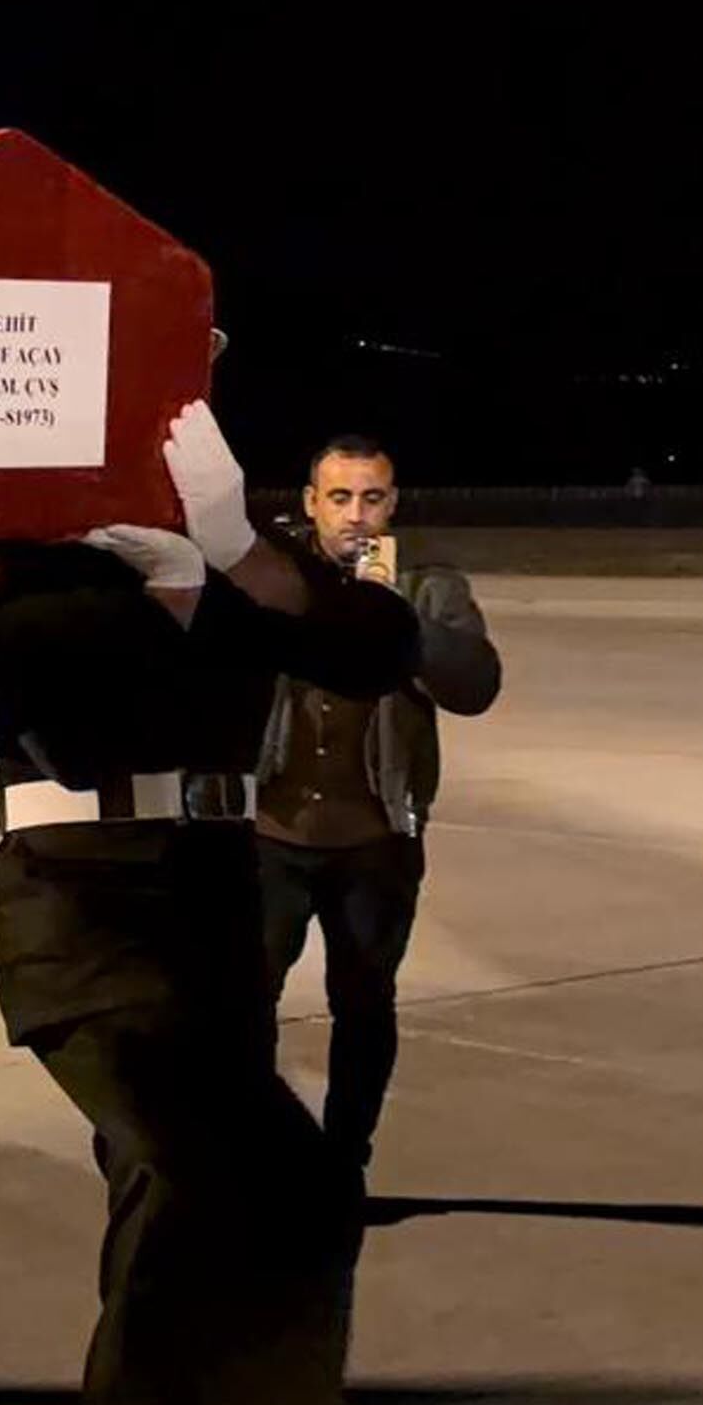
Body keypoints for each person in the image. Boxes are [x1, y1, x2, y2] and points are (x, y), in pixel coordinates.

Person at [0, 401, 433, 1405]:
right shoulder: (24, 542)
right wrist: (207, 590)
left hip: (211, 915)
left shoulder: (238, 537)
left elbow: (378, 648)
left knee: (289, 1202)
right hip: (79, 908)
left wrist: (232, 546)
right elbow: (89, 707)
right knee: (198, 1190)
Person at [259, 433, 502, 1172]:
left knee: (364, 1004)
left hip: (376, 838)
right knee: (241, 1005)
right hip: (268, 832)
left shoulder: (428, 586)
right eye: (339, 497)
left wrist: (394, 613)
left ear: (392, 504)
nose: (355, 514)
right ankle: (259, 1158)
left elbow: (475, 686)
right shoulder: (274, 577)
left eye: (371, 498)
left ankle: (343, 1162)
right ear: (311, 503)